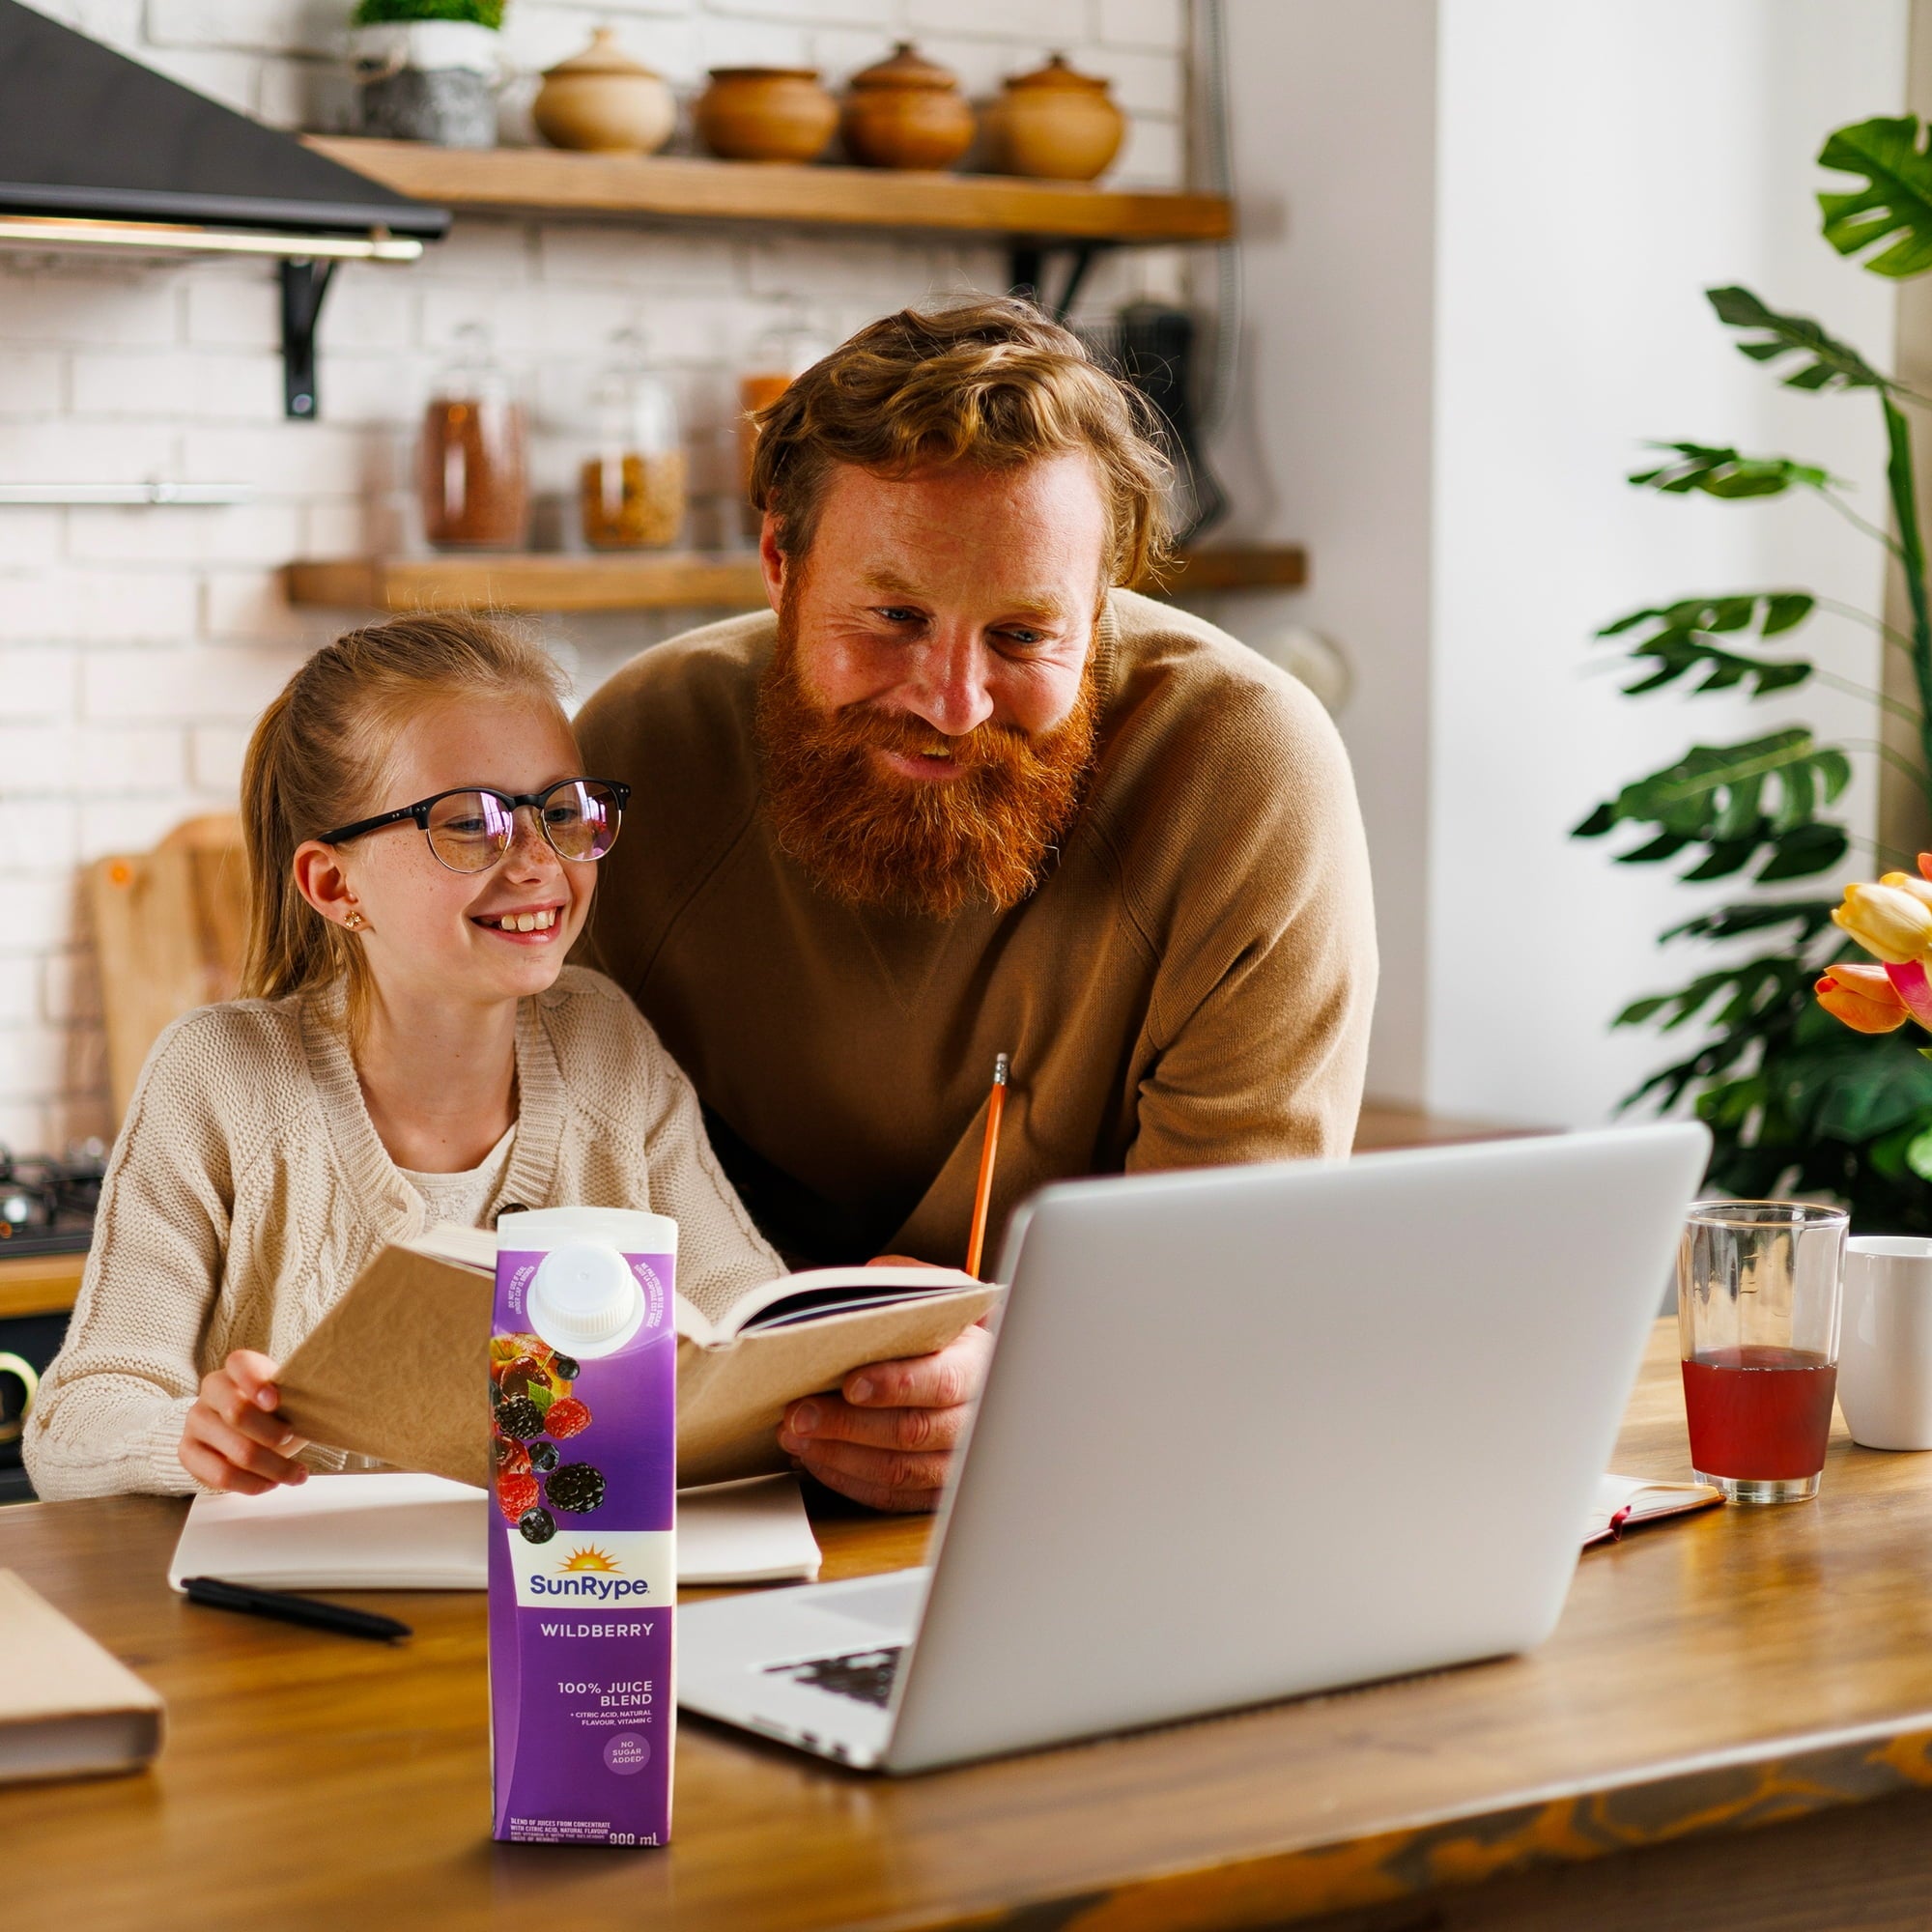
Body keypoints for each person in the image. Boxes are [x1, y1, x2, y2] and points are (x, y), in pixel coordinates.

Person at [575, 298, 1378, 1515]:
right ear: (781, 569)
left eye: (1021, 633)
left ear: (1099, 604)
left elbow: (1235, 1277)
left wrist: (1034, 1379)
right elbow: (528, 1193)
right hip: (686, 1491)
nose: (952, 700)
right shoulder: (638, 750)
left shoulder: (1243, 768)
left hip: (1085, 1484)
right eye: (892, 617)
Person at [25, 615, 781, 1500]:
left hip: (564, 1589)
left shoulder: (604, 1041)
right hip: (291, 1627)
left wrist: (842, 1340)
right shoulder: (218, 1079)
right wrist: (193, 1438)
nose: (541, 863)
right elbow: (75, 1420)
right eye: (470, 825)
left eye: (561, 812)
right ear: (335, 885)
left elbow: (741, 1307)